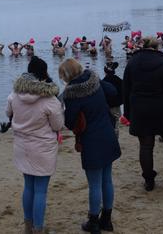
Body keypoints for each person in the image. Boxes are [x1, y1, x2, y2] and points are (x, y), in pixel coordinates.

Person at [61, 58, 121, 233]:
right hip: (108, 134)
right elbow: (112, 91)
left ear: (66, 75)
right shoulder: (94, 81)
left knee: (95, 184)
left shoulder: (71, 94)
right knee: (107, 180)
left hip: (91, 140)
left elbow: (70, 122)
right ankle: (107, 220)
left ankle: (93, 222)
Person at [7, 57, 63, 234]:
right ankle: (38, 229)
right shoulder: (50, 100)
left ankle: (28, 226)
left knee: (28, 186)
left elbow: (8, 113)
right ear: (44, 74)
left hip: (22, 146)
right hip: (42, 148)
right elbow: (58, 126)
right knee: (40, 191)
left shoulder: (15, 94)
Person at [123, 37, 163, 191]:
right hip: (162, 108)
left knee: (146, 146)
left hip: (140, 108)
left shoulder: (132, 63)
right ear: (157, 48)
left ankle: (149, 180)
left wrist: (128, 113)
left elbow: (126, 90)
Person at [102, 61, 123, 137]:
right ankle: (115, 138)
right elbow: (124, 92)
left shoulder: (103, 82)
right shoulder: (119, 81)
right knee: (116, 123)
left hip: (106, 107)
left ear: (105, 71)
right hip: (116, 106)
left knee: (107, 124)